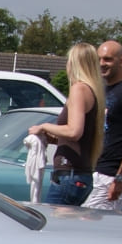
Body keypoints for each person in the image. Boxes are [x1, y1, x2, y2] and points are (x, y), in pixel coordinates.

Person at [29, 42, 104, 206]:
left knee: (52, 227)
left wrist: (44, 126)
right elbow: (77, 136)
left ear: (74, 64)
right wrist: (54, 139)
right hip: (79, 173)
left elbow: (74, 131)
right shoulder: (93, 92)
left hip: (69, 174)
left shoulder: (79, 89)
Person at [82, 40, 122, 210]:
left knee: (90, 228)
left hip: (111, 177)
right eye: (99, 59)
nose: (102, 64)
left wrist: (120, 179)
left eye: (108, 59)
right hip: (97, 172)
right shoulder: (103, 90)